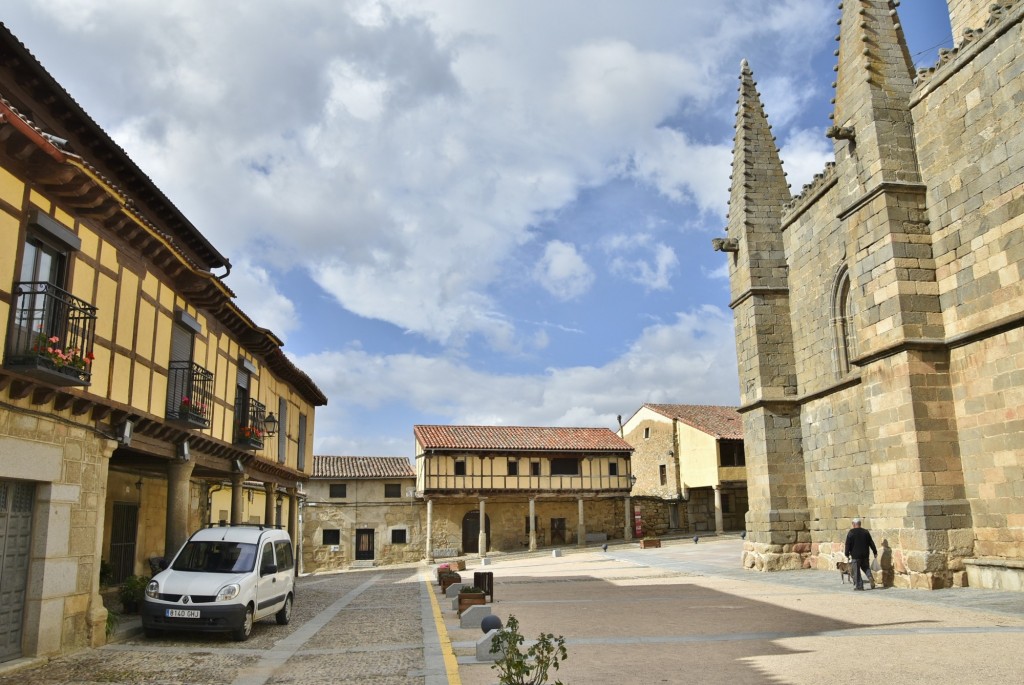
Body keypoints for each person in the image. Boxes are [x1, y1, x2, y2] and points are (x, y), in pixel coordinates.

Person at [845, 517, 877, 590]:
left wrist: (847, 553)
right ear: (860, 524)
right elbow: (871, 543)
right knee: (866, 567)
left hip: (855, 555)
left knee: (856, 571)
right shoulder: (865, 532)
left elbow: (848, 544)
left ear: (853, 524)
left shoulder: (851, 532)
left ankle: (859, 586)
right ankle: (870, 577)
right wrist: (875, 552)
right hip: (865, 554)